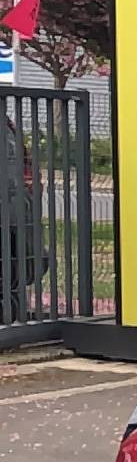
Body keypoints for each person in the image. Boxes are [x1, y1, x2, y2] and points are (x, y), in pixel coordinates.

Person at [1, 117, 45, 327]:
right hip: (17, 206)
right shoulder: (7, 126)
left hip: (15, 206)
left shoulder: (6, 126)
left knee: (20, 262)